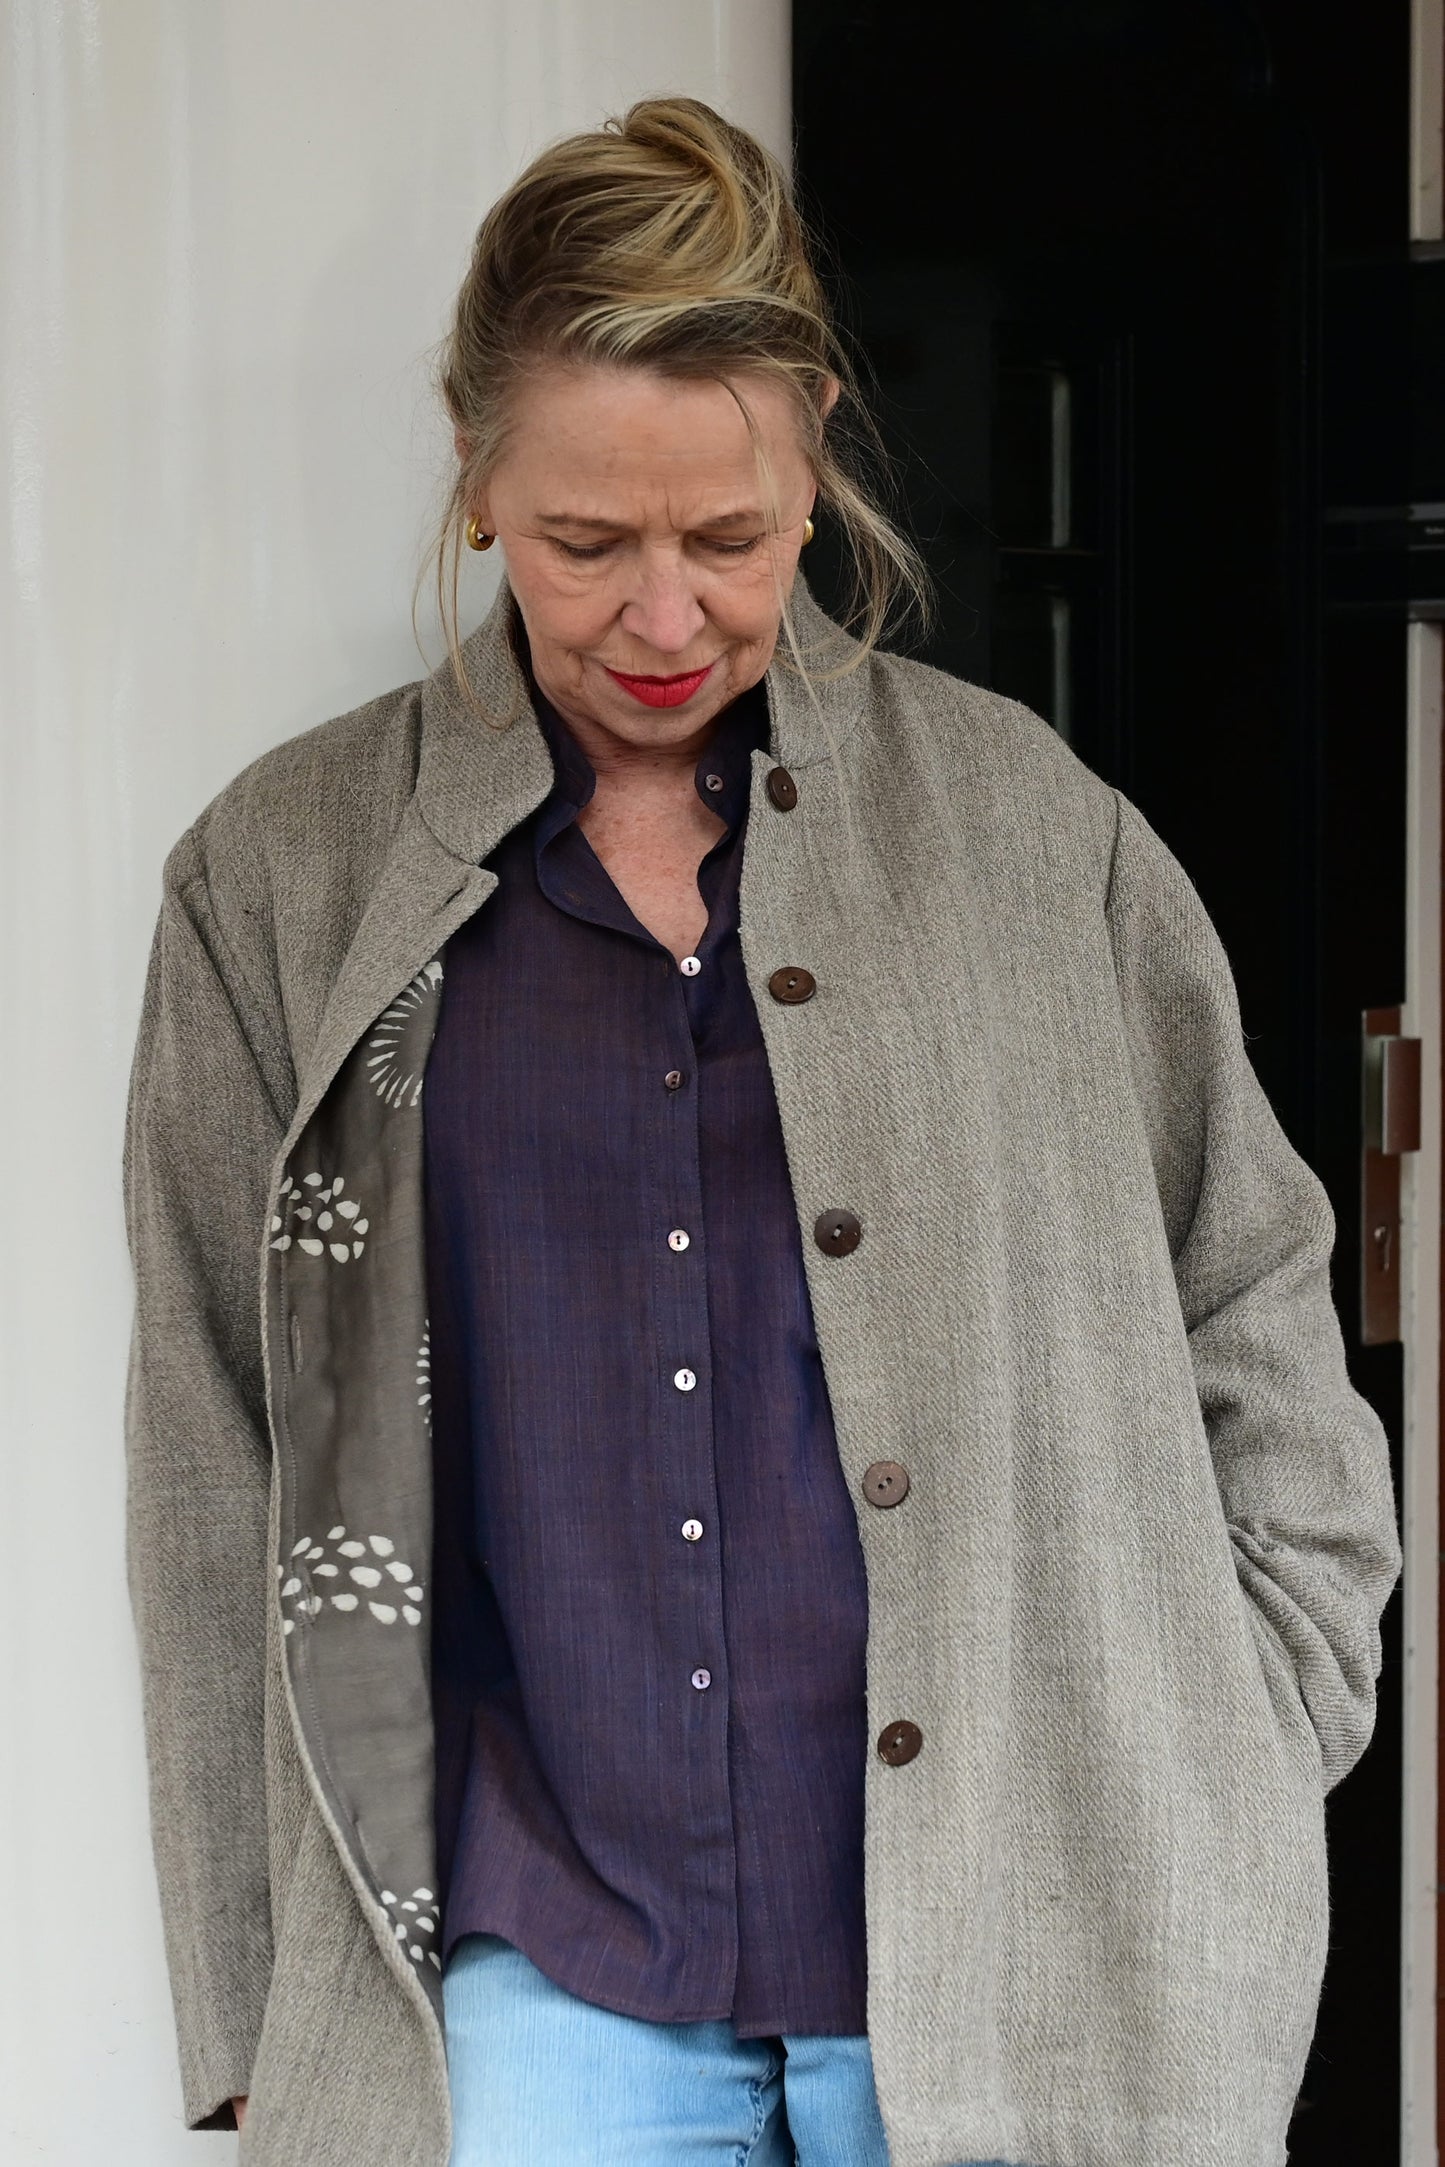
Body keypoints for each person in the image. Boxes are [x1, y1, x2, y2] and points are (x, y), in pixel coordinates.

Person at [123, 97, 1401, 2167]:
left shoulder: (1030, 835)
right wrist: (250, 1979)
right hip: (533, 1986)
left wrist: (1245, 1732)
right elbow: (212, 1445)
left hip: (1017, 1950)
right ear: (473, 482)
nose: (660, 616)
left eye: (727, 537)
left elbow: (1252, 1293)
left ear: (814, 455)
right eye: (582, 541)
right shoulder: (283, 882)